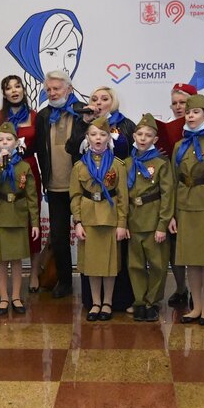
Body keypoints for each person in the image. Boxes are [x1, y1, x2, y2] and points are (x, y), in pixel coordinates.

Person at [70, 117, 129, 321]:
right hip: (88, 219)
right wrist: (77, 222)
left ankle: (108, 302)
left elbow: (123, 197)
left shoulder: (117, 165)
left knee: (109, 265)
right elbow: (75, 196)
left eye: (102, 134)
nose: (98, 138)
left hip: (110, 217)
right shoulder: (79, 166)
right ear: (87, 137)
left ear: (108, 138)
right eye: (93, 134)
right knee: (92, 265)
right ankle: (95, 302)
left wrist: (122, 224)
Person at [0, 74, 46, 293]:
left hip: (28, 167)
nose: (14, 91)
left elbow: (42, 146)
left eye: (17, 86)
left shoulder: (34, 116)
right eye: (9, 88)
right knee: (6, 218)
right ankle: (4, 282)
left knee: (32, 217)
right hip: (4, 169)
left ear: (23, 90)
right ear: (4, 93)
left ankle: (33, 272)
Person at [32, 69, 83, 299]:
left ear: (69, 89)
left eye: (57, 89)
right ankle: (64, 281)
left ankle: (91, 283)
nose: (52, 93)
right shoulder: (43, 116)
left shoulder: (83, 112)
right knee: (59, 238)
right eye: (49, 89)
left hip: (82, 187)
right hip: (54, 186)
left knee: (88, 236)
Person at [170, 93, 204, 325]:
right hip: (184, 205)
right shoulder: (179, 145)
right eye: (188, 112)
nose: (190, 116)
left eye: (196, 112)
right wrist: (172, 214)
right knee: (190, 259)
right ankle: (196, 306)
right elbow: (173, 180)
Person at [0, 122, 40, 314]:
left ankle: (16, 296)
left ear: (17, 142)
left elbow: (31, 196)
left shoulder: (24, 166)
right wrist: (1, 167)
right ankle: (4, 297)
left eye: (9, 139)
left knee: (16, 260)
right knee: (1, 260)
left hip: (18, 215)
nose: (5, 143)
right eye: (1, 140)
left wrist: (35, 222)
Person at [125, 114, 174, 322]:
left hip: (153, 220)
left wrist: (163, 224)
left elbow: (167, 195)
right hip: (133, 221)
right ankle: (139, 300)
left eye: (148, 135)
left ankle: (152, 302)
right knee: (135, 264)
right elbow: (123, 196)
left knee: (157, 264)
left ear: (155, 139)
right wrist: (123, 222)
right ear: (134, 136)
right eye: (140, 134)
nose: (143, 138)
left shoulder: (161, 163)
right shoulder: (127, 163)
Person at [165, 83, 196, 308]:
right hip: (170, 188)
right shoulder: (167, 128)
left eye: (182, 103)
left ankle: (197, 290)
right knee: (174, 243)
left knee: (194, 243)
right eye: (174, 103)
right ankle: (180, 288)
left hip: (194, 192)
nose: (178, 107)